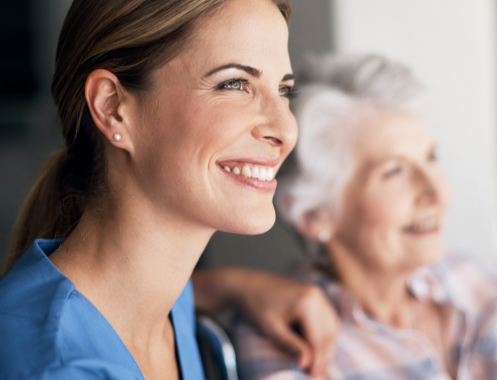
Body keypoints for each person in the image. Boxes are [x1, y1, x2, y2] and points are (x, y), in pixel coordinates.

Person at [0, 1, 339, 379]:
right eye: (235, 84)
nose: (287, 130)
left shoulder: (162, 296)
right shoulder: (57, 368)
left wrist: (236, 286)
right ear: (112, 107)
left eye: (283, 90)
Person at [235, 55, 497, 380]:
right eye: (394, 171)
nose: (437, 192)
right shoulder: (285, 340)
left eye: (431, 158)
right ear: (313, 215)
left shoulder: (474, 280)